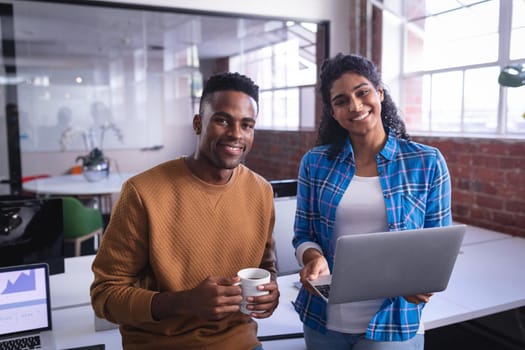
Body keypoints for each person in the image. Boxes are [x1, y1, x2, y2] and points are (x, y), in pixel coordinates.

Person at [91, 72, 279, 349]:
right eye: (222, 120)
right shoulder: (142, 193)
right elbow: (104, 296)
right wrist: (184, 302)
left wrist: (270, 292)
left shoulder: (261, 191)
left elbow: (265, 266)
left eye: (247, 125)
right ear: (198, 123)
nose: (236, 134)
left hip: (240, 342)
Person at [292, 53, 452, 349]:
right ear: (333, 112)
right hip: (323, 319)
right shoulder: (315, 163)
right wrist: (314, 258)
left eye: (362, 92)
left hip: (394, 319)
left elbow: (438, 246)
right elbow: (304, 234)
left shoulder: (426, 162)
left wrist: (423, 280)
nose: (355, 106)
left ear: (379, 92)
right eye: (341, 101)